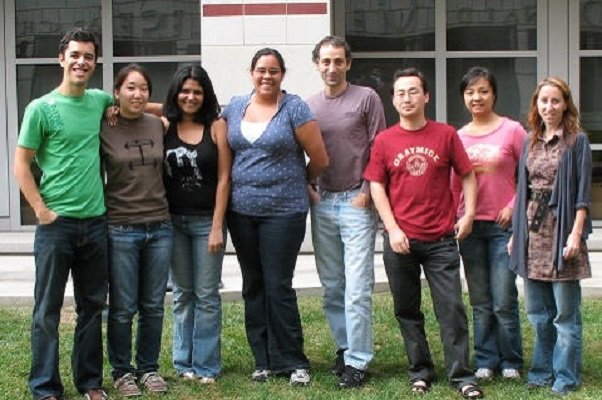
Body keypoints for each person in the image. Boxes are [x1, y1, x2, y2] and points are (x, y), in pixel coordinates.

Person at [364, 67, 484, 399]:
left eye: (413, 91)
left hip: (441, 240)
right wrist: (392, 229)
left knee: (451, 309)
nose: (407, 98)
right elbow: (376, 185)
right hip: (400, 241)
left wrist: (469, 214)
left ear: (426, 96)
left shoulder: (445, 134)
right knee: (407, 311)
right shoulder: (385, 140)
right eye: (400, 93)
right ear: (393, 100)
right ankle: (420, 371)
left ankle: (462, 376)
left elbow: (467, 174)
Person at [13, 28, 112, 400]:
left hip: (96, 222)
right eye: (75, 55)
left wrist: (163, 116)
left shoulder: (99, 101)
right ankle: (45, 387)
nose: (81, 62)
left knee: (92, 307)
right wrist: (40, 210)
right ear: (61, 58)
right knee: (47, 310)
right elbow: (21, 165)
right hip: (56, 226)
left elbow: (134, 101)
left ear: (94, 63)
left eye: (88, 56)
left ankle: (89, 382)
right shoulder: (41, 108)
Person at [222, 48, 329, 386]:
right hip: (241, 212)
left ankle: (293, 361)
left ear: (282, 74)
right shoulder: (235, 106)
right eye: (261, 70)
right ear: (251, 72)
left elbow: (320, 158)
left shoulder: (294, 107)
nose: (267, 76)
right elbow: (190, 114)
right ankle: (263, 360)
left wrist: (301, 180)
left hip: (284, 212)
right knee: (253, 285)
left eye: (273, 71)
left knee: (278, 285)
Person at [306, 36, 386, 388]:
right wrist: (309, 187)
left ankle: (358, 360)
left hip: (356, 201)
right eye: (326, 61)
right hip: (323, 202)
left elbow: (379, 147)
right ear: (317, 64)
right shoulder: (309, 105)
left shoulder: (366, 98)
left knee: (357, 288)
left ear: (348, 64)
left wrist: (367, 192)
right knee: (333, 287)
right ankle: (344, 348)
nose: (332, 67)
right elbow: (301, 150)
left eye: (338, 61)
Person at [509, 77, 592, 396]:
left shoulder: (577, 141)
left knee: (564, 315)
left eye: (556, 100)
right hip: (533, 233)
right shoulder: (529, 141)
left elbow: (582, 196)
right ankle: (542, 371)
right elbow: (523, 190)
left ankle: (566, 376)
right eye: (544, 100)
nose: (549, 106)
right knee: (537, 313)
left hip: (562, 232)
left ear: (566, 104)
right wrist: (516, 234)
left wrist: (575, 235)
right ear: (536, 105)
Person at [100, 64, 172, 396]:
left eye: (143, 88)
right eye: (130, 87)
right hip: (121, 227)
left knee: (154, 305)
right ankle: (122, 372)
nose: (137, 94)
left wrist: (147, 106)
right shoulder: (104, 125)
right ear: (116, 92)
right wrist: (110, 107)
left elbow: (172, 107)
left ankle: (148, 368)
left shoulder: (158, 124)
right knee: (123, 306)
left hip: (160, 226)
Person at [453, 67, 525, 380]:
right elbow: (454, 184)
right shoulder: (459, 137)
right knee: (480, 300)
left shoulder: (513, 131)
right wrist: (455, 218)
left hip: (503, 227)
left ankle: (511, 361)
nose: (477, 97)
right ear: (463, 97)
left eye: (483, 91)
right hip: (470, 227)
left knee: (503, 299)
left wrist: (513, 206)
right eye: (470, 92)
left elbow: (530, 175)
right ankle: (485, 359)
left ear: (494, 94)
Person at [162, 65, 231, 383]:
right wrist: (113, 108)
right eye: (185, 91)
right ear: (176, 93)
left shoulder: (217, 126)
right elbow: (142, 106)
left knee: (206, 295)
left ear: (206, 95)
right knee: (182, 294)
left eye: (197, 92)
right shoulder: (165, 125)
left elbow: (224, 178)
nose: (190, 97)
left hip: (206, 222)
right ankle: (183, 363)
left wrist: (217, 225)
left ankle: (206, 365)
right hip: (173, 222)